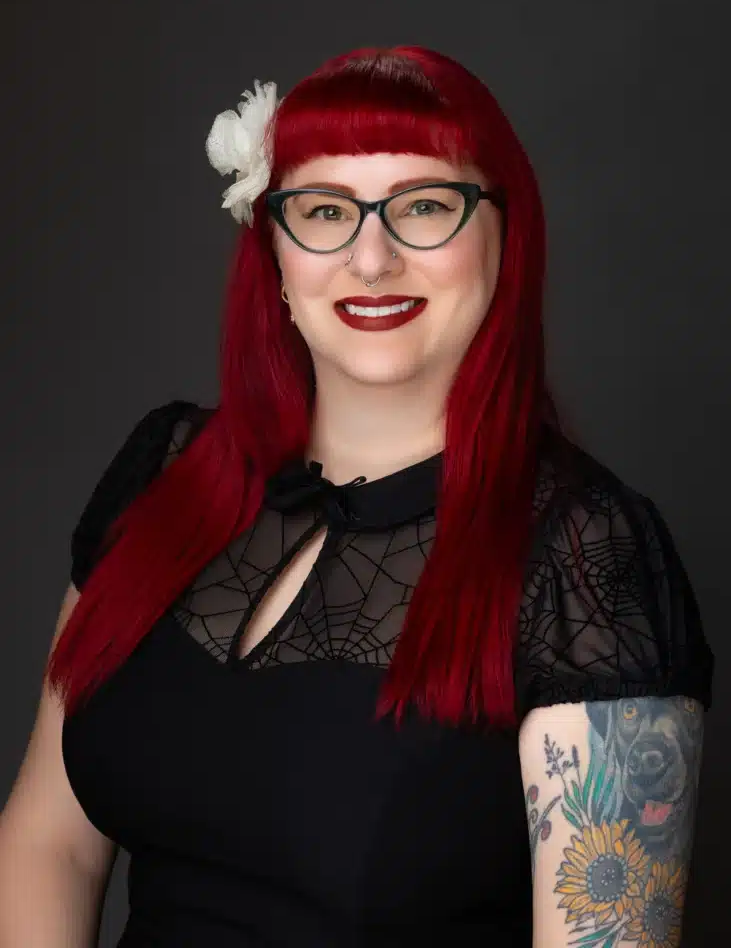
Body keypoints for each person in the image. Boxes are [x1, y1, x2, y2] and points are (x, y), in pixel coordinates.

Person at [0, 46, 714, 947]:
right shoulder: (167, 469)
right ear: (274, 251)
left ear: (505, 236)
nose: (370, 257)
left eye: (422, 207)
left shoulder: (585, 551)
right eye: (326, 211)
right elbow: (47, 842)